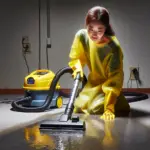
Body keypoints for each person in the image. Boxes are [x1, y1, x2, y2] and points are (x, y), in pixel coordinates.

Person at [68, 6, 130, 120]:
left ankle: (116, 101)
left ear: (106, 28)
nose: (93, 34)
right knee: (78, 107)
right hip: (93, 83)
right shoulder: (82, 36)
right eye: (90, 28)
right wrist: (77, 68)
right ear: (86, 25)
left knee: (94, 109)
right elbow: (76, 57)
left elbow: (115, 78)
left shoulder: (113, 47)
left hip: (108, 86)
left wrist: (109, 107)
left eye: (99, 30)